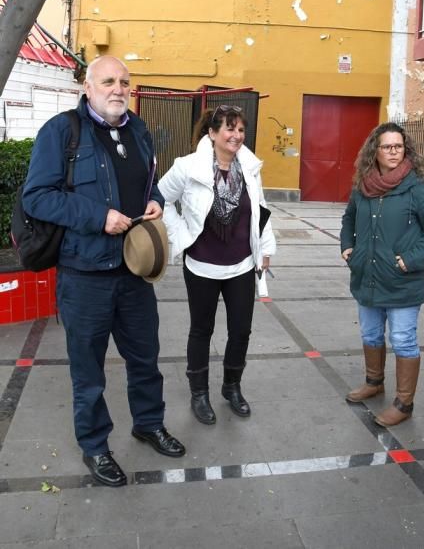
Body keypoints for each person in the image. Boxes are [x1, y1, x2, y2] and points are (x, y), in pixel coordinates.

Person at [22, 56, 185, 487]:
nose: (118, 89)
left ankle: (148, 423)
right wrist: (98, 217)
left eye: (125, 82)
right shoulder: (61, 131)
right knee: (88, 371)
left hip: (134, 272)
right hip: (85, 276)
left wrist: (156, 203)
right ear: (87, 86)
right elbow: (36, 197)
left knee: (145, 359)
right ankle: (95, 445)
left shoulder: (138, 130)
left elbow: (147, 184)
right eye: (108, 81)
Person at [158, 105, 276, 425]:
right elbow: (161, 198)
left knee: (241, 331)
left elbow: (260, 210)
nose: (237, 135)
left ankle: (231, 387)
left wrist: (265, 248)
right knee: (201, 329)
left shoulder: (249, 167)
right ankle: (199, 393)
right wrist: (179, 231)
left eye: (240, 130)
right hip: (201, 265)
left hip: (240, 264)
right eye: (229, 129)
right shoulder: (188, 167)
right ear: (212, 133)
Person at [340, 122, 424, 427]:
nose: (393, 152)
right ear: (374, 151)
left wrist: (410, 260)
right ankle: (374, 383)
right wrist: (348, 247)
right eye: (386, 146)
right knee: (370, 334)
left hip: (403, 281)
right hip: (367, 277)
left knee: (403, 339)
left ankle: (404, 403)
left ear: (405, 149)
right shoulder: (363, 186)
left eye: (398, 146)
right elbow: (349, 219)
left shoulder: (417, 188)